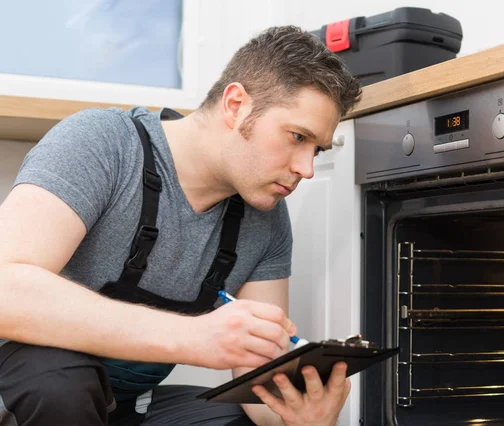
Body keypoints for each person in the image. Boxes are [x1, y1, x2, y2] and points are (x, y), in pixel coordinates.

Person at [0, 25, 361, 426]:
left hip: (125, 406)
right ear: (236, 104)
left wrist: (300, 419)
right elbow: (5, 289)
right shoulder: (103, 144)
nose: (306, 169)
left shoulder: (266, 216)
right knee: (57, 384)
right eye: (297, 137)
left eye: (317, 150)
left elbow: (258, 381)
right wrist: (196, 337)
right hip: (26, 391)